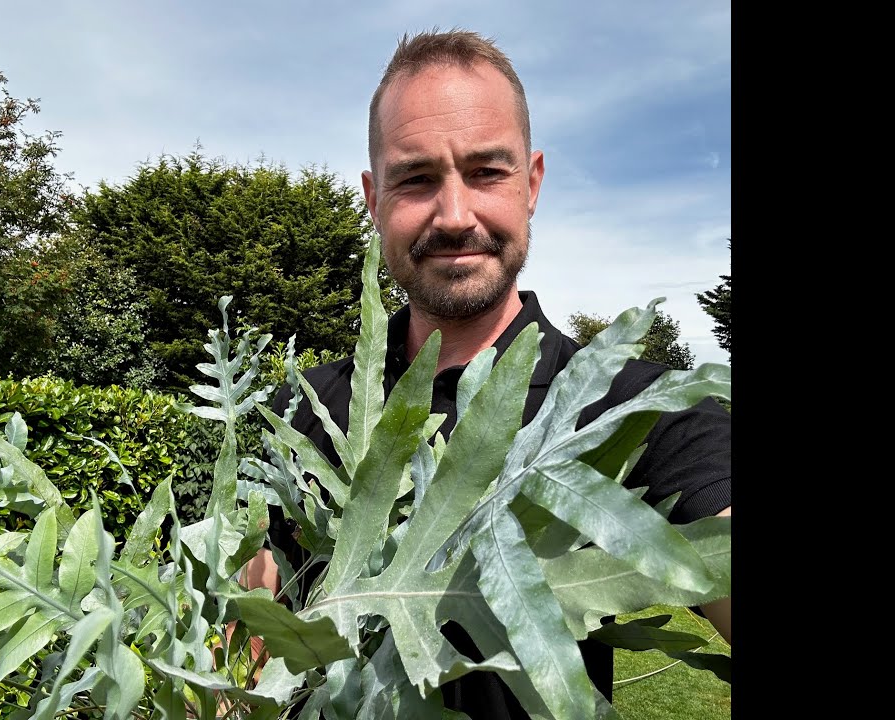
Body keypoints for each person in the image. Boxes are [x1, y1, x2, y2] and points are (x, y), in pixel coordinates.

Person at [243, 28, 731, 718]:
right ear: (372, 197)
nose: (454, 214)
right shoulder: (306, 405)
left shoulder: (640, 411)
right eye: (415, 178)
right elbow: (251, 634)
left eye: (486, 172)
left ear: (531, 184)